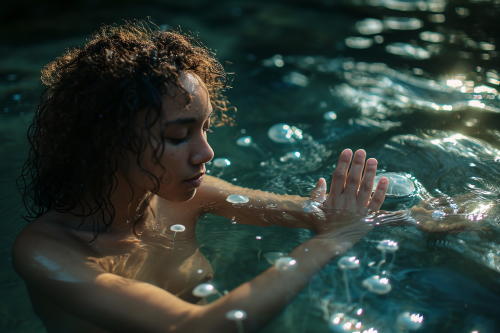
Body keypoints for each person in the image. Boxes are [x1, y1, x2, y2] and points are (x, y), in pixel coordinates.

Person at [13, 21, 390, 333]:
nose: (207, 152)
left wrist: (430, 215)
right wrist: (330, 242)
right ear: (107, 144)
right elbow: (195, 328)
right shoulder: (47, 253)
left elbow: (330, 215)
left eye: (205, 128)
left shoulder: (192, 195)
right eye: (179, 136)